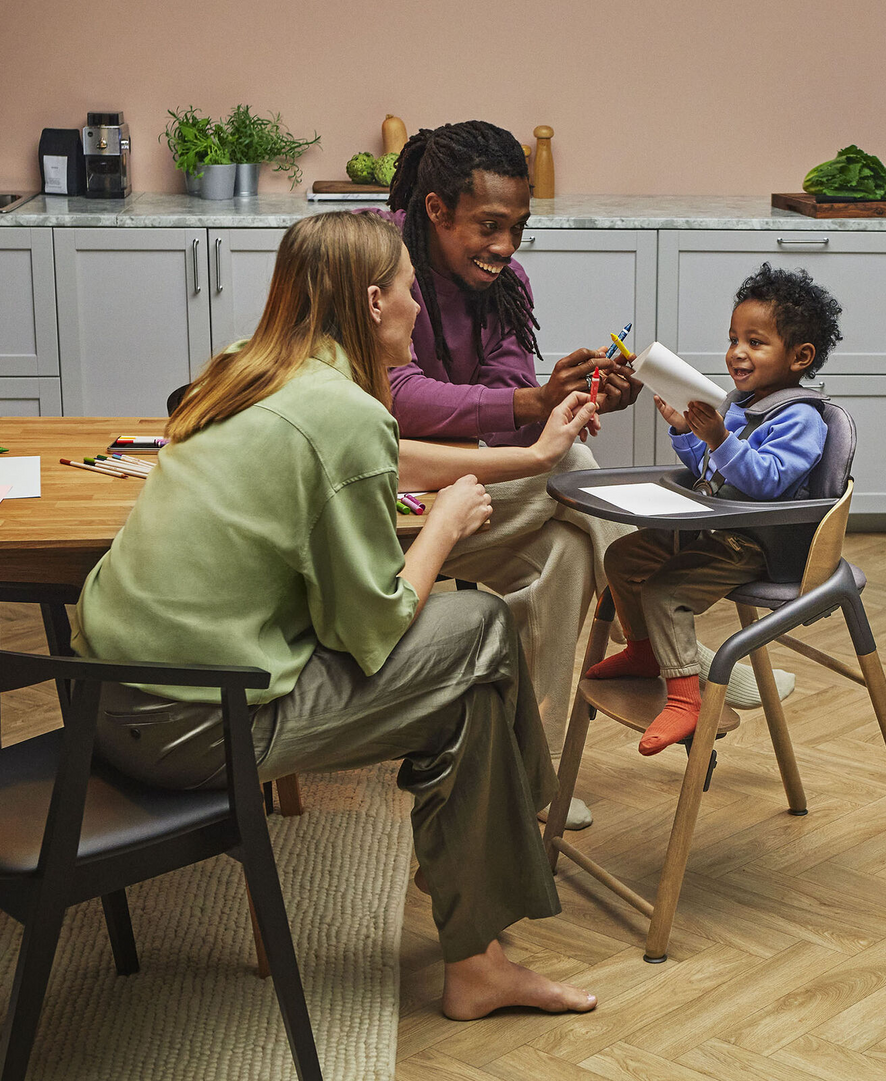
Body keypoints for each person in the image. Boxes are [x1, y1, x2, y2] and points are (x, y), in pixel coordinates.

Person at [71, 211, 598, 1019]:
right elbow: (376, 628)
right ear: (374, 299)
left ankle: (479, 942)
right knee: (482, 633)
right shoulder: (343, 413)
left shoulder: (239, 372)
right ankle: (496, 853)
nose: (420, 310)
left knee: (469, 693)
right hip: (196, 728)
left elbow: (378, 451)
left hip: (102, 703)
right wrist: (448, 526)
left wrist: (531, 457)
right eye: (412, 292)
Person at [371, 120, 790, 825]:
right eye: (488, 226)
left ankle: (531, 775)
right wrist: (531, 407)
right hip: (386, 499)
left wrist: (565, 398)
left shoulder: (504, 283)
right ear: (436, 210)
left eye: (519, 226)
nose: (505, 246)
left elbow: (510, 405)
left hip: (467, 493)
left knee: (567, 547)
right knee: (569, 464)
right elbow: (398, 396)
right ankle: (664, 636)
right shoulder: (378, 260)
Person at [585, 264, 842, 755]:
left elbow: (765, 482)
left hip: (756, 543)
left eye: (755, 342)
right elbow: (715, 471)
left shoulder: (801, 418)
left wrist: (720, 436)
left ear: (799, 356)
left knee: (665, 593)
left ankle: (685, 699)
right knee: (623, 559)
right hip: (714, 527)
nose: (737, 353)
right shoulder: (743, 404)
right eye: (733, 339)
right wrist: (688, 431)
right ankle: (641, 652)